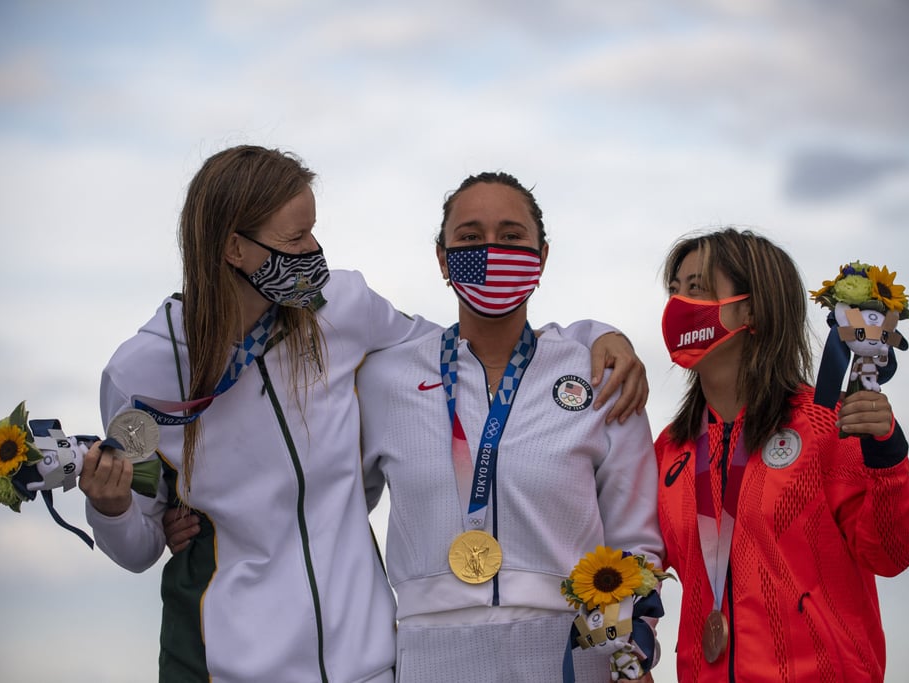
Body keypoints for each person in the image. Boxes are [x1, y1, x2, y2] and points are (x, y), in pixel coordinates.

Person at [78, 145, 647, 682]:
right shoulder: (143, 375)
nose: (314, 252)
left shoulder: (341, 309)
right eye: (297, 237)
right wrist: (110, 507)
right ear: (235, 249)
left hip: (368, 662)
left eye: (314, 230)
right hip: (223, 663)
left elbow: (464, 347)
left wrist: (594, 336)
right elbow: (140, 544)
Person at [355, 172, 664, 682]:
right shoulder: (387, 379)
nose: (492, 251)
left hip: (572, 651)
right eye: (471, 238)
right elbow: (334, 514)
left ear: (542, 256)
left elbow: (635, 541)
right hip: (430, 655)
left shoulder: (598, 373)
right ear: (441, 258)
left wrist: (622, 657)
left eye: (512, 237)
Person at [654, 227, 909, 682]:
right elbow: (633, 571)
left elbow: (890, 553)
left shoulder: (825, 423)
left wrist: (887, 455)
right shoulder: (669, 449)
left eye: (696, 289)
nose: (677, 305)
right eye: (674, 290)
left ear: (752, 308)